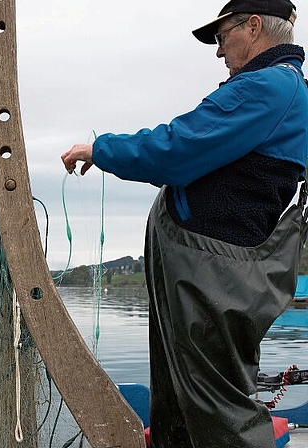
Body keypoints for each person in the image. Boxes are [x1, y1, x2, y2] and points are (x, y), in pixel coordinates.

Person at [61, 0, 308, 446]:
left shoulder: (268, 87)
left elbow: (176, 149)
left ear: (253, 27)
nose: (218, 52)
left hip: (213, 279)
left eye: (221, 36)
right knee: (181, 400)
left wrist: (100, 150)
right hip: (208, 277)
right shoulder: (283, 89)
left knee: (220, 414)